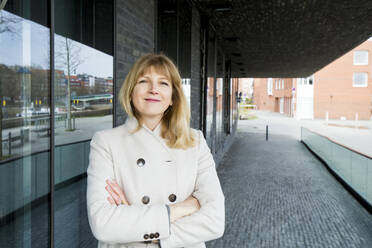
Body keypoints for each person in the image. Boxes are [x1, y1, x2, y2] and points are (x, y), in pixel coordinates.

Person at [86, 54, 225, 248]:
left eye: (163, 83)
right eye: (143, 81)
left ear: (173, 98)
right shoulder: (106, 142)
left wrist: (140, 231)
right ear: (130, 92)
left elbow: (215, 221)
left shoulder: (195, 142)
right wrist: (178, 209)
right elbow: (103, 224)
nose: (153, 89)